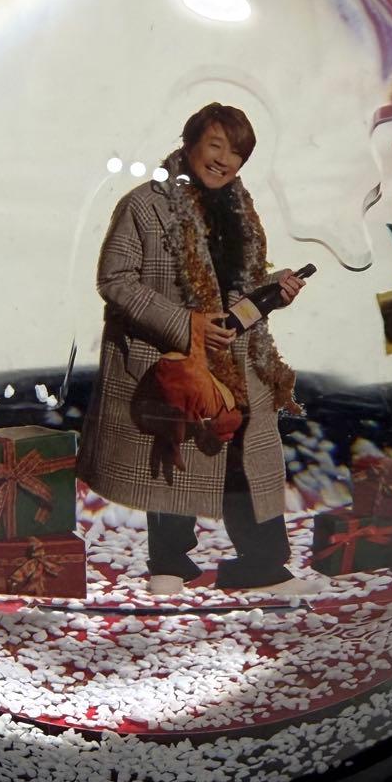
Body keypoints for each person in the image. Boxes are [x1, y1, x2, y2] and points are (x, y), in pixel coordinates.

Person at [77, 103, 312, 595]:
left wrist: (274, 289)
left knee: (247, 460)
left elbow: (235, 293)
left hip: (234, 356)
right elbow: (114, 279)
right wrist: (186, 325)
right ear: (189, 143)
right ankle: (169, 562)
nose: (225, 160)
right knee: (173, 451)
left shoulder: (240, 213)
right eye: (216, 145)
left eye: (237, 152)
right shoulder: (145, 204)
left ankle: (262, 565)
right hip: (169, 356)